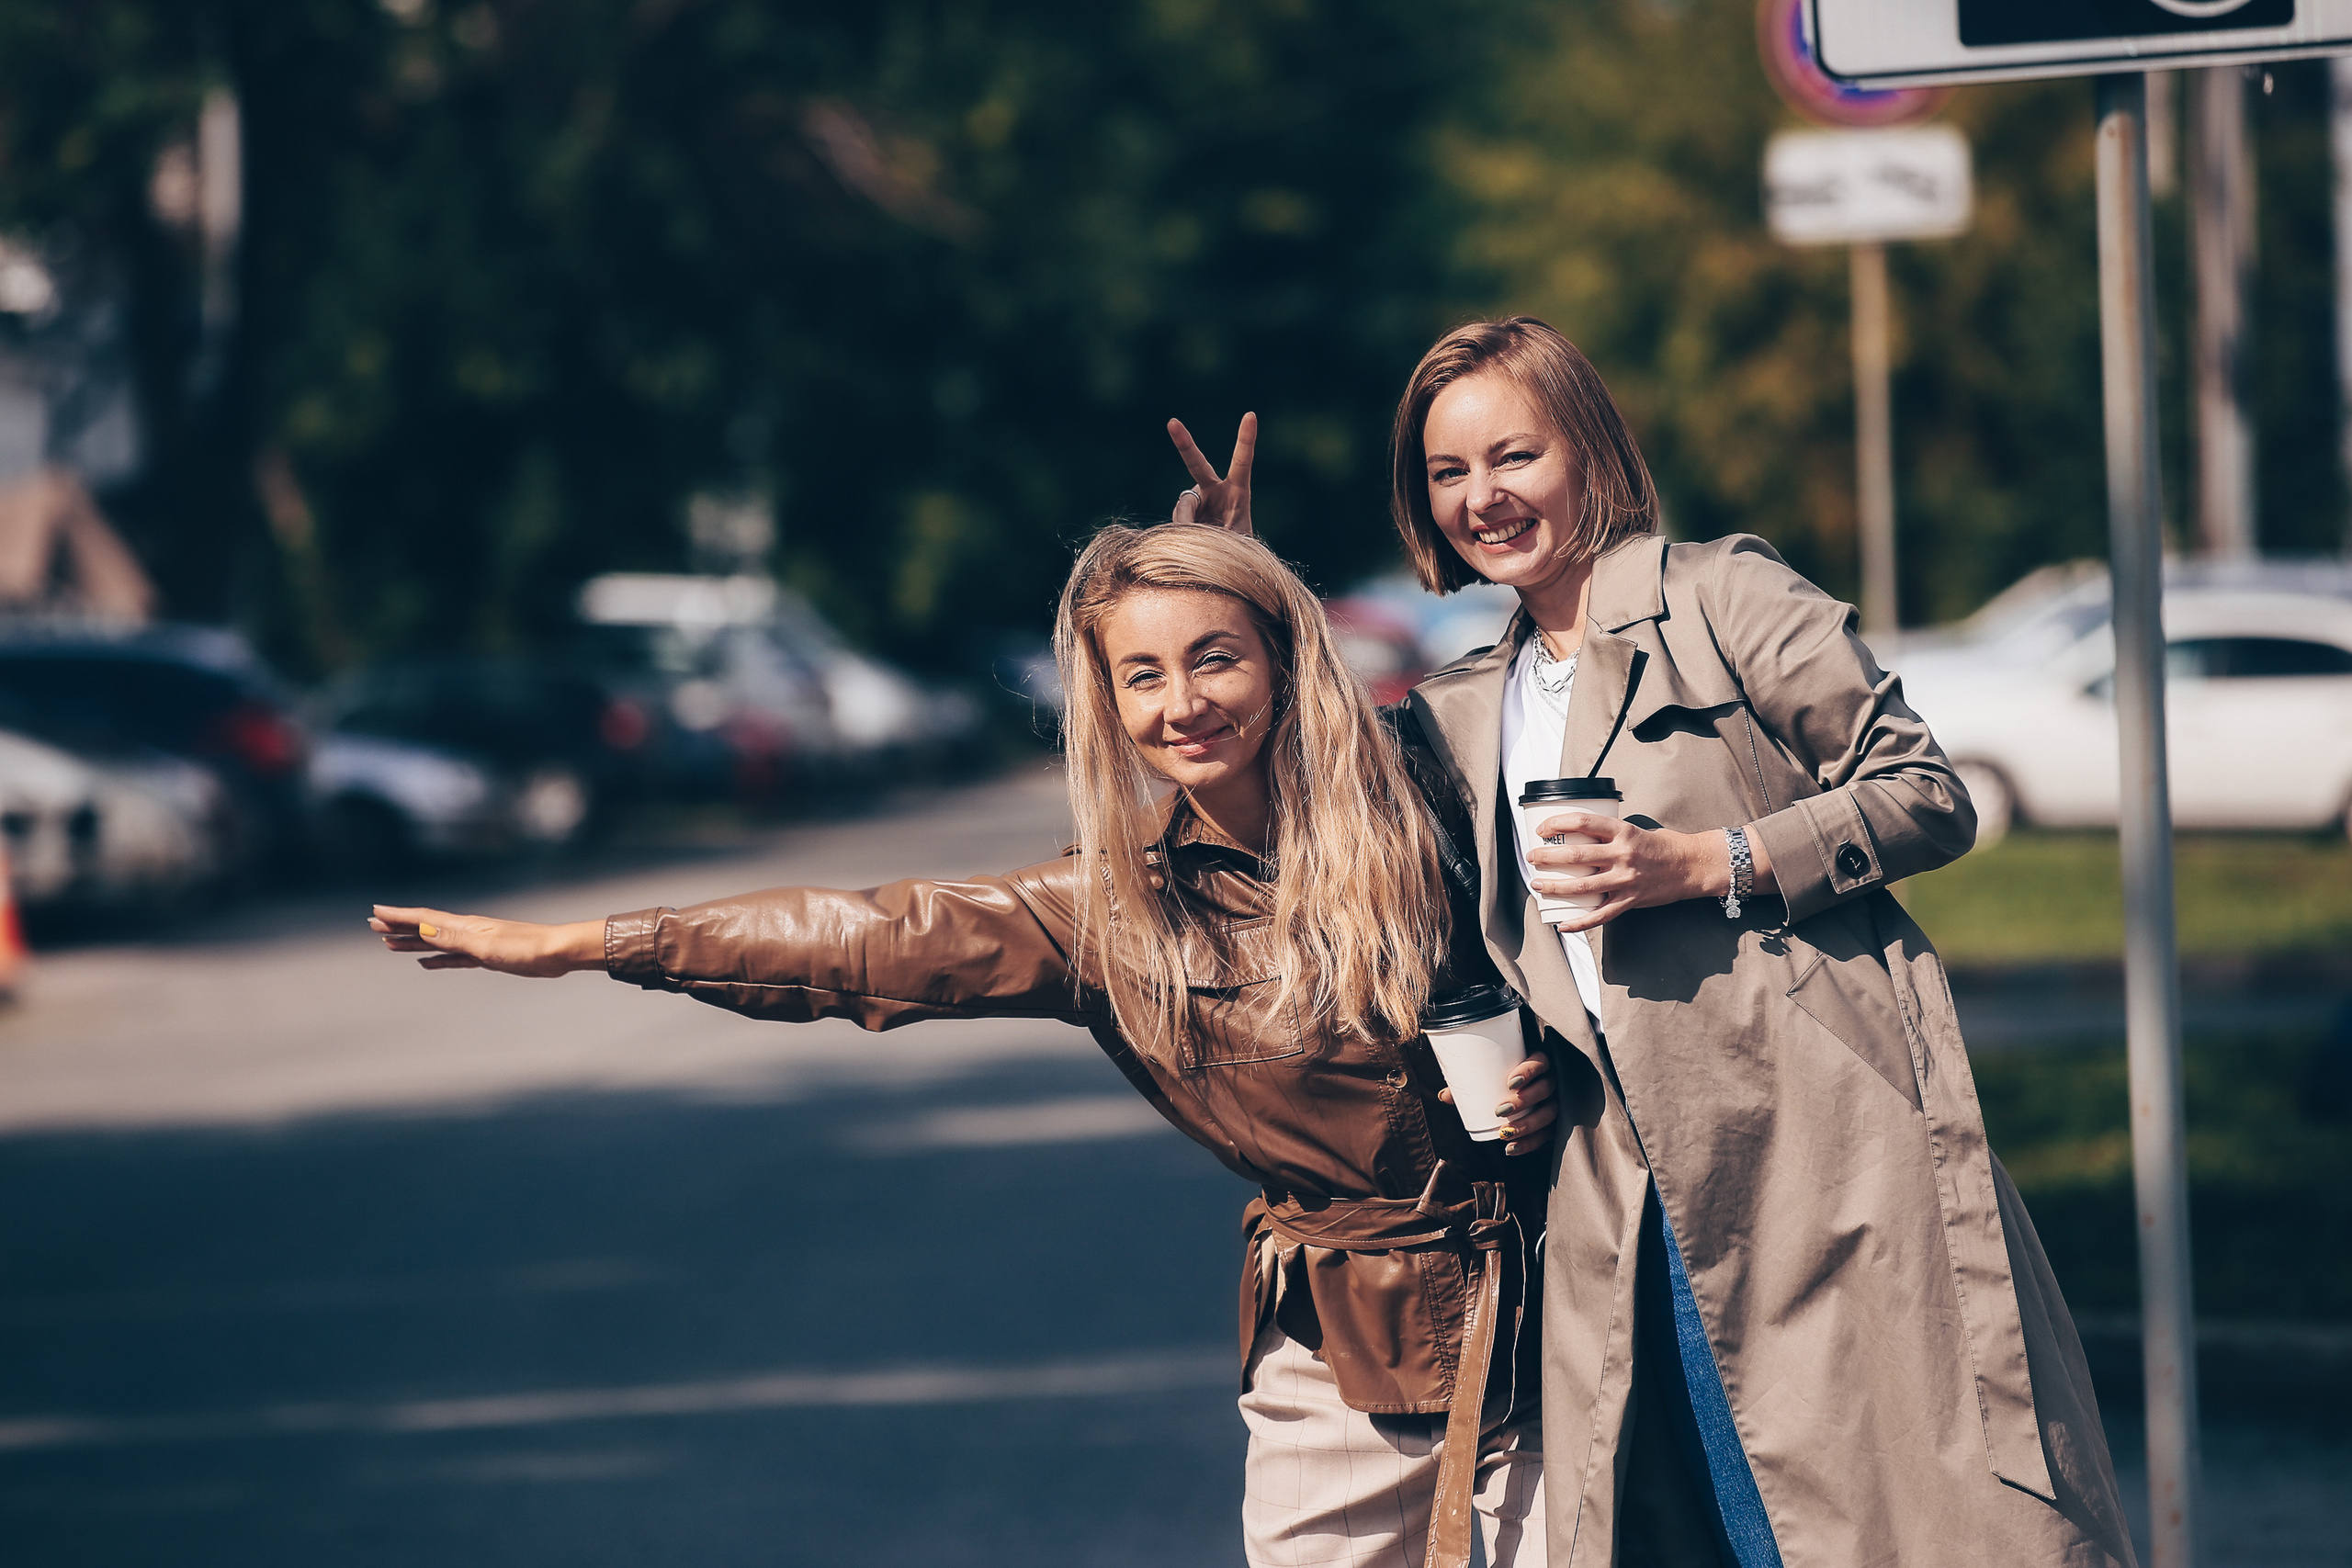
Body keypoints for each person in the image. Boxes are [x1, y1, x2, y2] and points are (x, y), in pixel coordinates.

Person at [371, 523, 1560, 1568]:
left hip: (1556, 1319)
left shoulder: (1424, 795)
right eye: (1141, 674)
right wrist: (593, 941)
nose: (1182, 704)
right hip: (1343, 1363)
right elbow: (864, 941)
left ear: (1282, 659)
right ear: (1105, 704)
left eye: (1214, 657)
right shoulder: (1113, 914)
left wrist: (1561, 1082)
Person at [1166, 317, 2138, 1567]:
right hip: (1616, 1199)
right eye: (1448, 473)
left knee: (1892, 1513)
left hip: (1816, 1157)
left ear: (1589, 451)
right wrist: (1245, 584)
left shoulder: (1722, 595)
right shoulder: (1468, 707)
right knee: (1708, 1523)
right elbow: (1318, 799)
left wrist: (1707, 861)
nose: (1483, 497)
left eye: (1512, 455)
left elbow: (1923, 793)